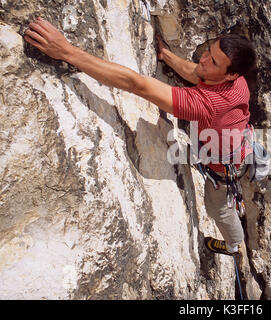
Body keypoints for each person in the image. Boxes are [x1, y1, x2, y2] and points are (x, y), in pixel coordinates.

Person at [24, 17, 257, 257]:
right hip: (234, 142)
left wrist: (66, 51)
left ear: (230, 75)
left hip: (223, 167)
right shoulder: (237, 82)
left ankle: (233, 245)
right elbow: (197, 72)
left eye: (214, 61)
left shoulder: (205, 105)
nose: (204, 60)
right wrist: (166, 56)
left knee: (217, 208)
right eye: (208, 51)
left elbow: (137, 85)